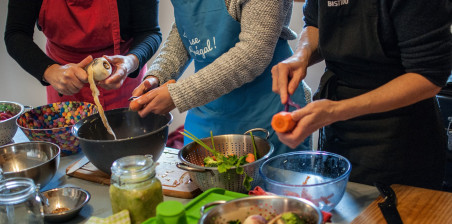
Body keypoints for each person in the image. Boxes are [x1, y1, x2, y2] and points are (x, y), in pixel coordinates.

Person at [271, 0, 451, 190]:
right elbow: (314, 24)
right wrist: (301, 56)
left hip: (398, 139)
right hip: (338, 127)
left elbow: (428, 76)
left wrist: (338, 110)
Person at [131, 0, 312, 155]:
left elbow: (254, 53)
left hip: (267, 113)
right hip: (209, 116)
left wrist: (178, 95)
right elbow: (186, 29)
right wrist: (157, 75)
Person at [4, 0, 162, 111]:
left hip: (122, 78)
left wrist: (130, 62)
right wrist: (50, 71)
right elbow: (16, 33)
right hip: (64, 80)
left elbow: (149, 32)